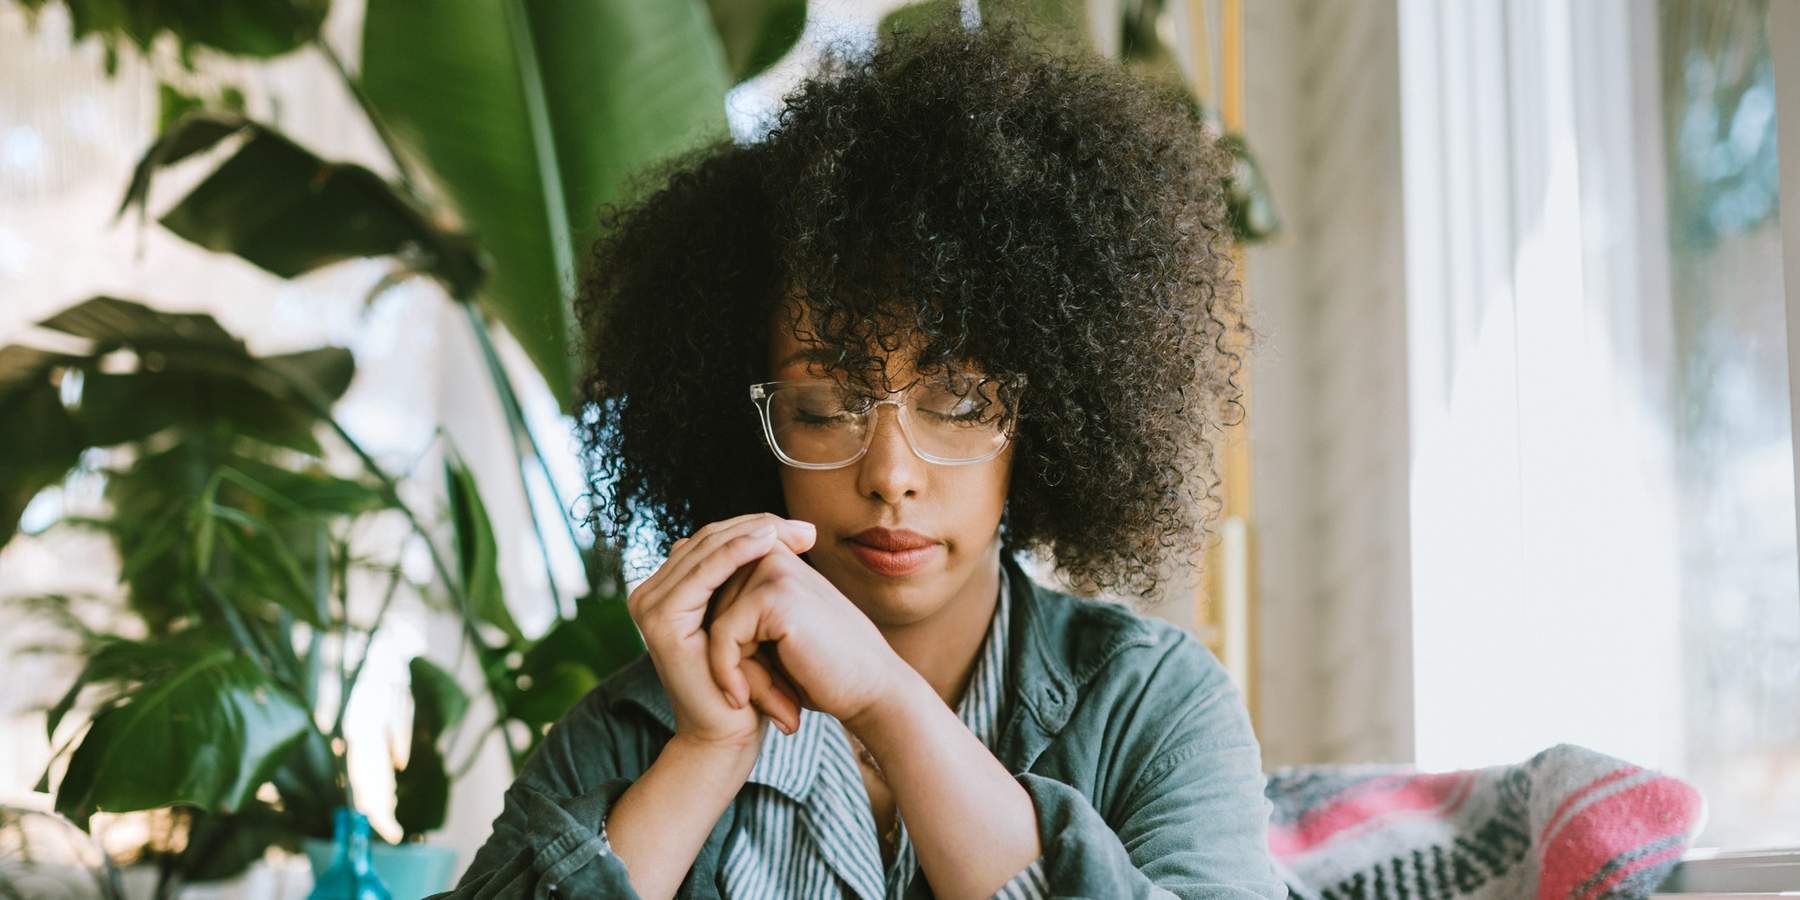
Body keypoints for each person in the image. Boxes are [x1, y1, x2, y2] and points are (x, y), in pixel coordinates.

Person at [436, 8, 1282, 899]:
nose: (889, 476)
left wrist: (889, 701)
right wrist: (704, 752)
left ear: (1054, 417)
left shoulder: (1152, 705)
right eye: (823, 407)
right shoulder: (640, 728)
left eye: (958, 403)